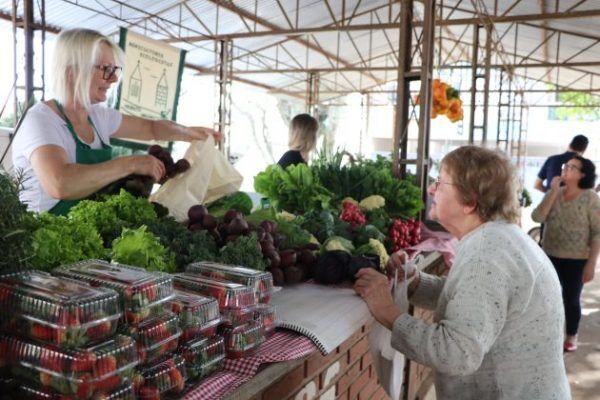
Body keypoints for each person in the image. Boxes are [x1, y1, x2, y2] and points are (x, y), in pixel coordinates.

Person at [354, 146, 570, 399]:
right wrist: (413, 281)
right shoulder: (496, 238)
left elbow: (456, 354)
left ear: (469, 202)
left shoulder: (486, 254)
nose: (431, 189)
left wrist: (387, 312)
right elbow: (473, 302)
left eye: (440, 182)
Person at [12, 28, 220, 214]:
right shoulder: (40, 121)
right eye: (105, 69)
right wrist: (131, 163)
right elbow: (60, 183)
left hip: (89, 232)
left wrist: (186, 132)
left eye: (115, 70)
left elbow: (151, 128)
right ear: (72, 71)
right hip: (41, 241)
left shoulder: (98, 116)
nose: (113, 79)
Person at [532, 155, 600, 352]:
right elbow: (537, 216)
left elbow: (597, 233)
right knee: (546, 298)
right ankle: (548, 334)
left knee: (570, 299)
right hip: (550, 255)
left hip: (577, 259)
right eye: (566, 166)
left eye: (572, 167)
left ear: (582, 175)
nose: (566, 169)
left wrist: (591, 264)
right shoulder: (555, 192)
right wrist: (552, 191)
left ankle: (571, 335)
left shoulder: (590, 198)